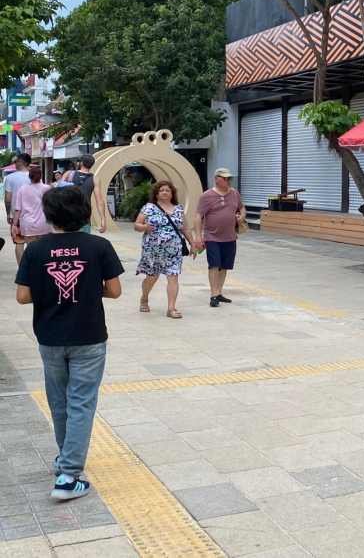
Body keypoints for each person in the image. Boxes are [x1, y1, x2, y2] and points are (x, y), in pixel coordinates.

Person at [15, 186, 123, 501]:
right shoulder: (99, 246)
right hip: (89, 335)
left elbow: (22, 296)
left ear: (49, 215)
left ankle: (65, 461)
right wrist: (88, 290)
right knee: (81, 402)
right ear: (84, 213)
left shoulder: (36, 250)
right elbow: (115, 291)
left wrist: (49, 292)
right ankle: (68, 475)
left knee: (59, 402)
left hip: (49, 336)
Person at [135, 180, 194, 319]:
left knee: (173, 277)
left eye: (168, 190)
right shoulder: (149, 207)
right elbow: (137, 225)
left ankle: (171, 308)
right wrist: (145, 227)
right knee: (152, 277)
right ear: (156, 194)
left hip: (174, 250)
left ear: (172, 193)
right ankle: (144, 298)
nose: (165, 192)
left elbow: (185, 228)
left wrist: (192, 243)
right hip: (153, 250)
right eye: (161, 190)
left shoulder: (179, 209)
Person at [194, 168, 245, 308]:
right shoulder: (206, 196)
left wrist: (242, 217)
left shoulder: (234, 193)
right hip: (212, 236)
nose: (228, 181)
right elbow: (198, 216)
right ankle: (213, 295)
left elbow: (242, 208)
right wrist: (198, 236)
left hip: (230, 236)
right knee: (214, 265)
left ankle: (219, 292)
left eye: (229, 178)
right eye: (225, 178)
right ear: (217, 179)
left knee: (224, 266)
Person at [12, 166, 52, 255]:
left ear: (29, 176)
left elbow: (18, 209)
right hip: (44, 224)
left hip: (28, 225)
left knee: (31, 251)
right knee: (44, 251)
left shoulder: (22, 189)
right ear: (41, 176)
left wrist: (14, 225)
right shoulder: (47, 188)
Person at [67, 155, 107, 234]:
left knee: (67, 240)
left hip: (68, 214)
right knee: (84, 240)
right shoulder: (95, 179)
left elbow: (57, 193)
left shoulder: (69, 174)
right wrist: (103, 219)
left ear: (81, 163)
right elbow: (99, 201)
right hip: (84, 215)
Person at [4, 152, 32, 262]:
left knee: (19, 243)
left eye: (16, 161)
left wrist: (8, 214)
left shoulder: (10, 178)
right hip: (33, 216)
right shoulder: (35, 176)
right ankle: (32, 268)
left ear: (22, 162)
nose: (15, 163)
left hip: (17, 216)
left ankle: (21, 269)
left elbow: (8, 199)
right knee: (32, 243)